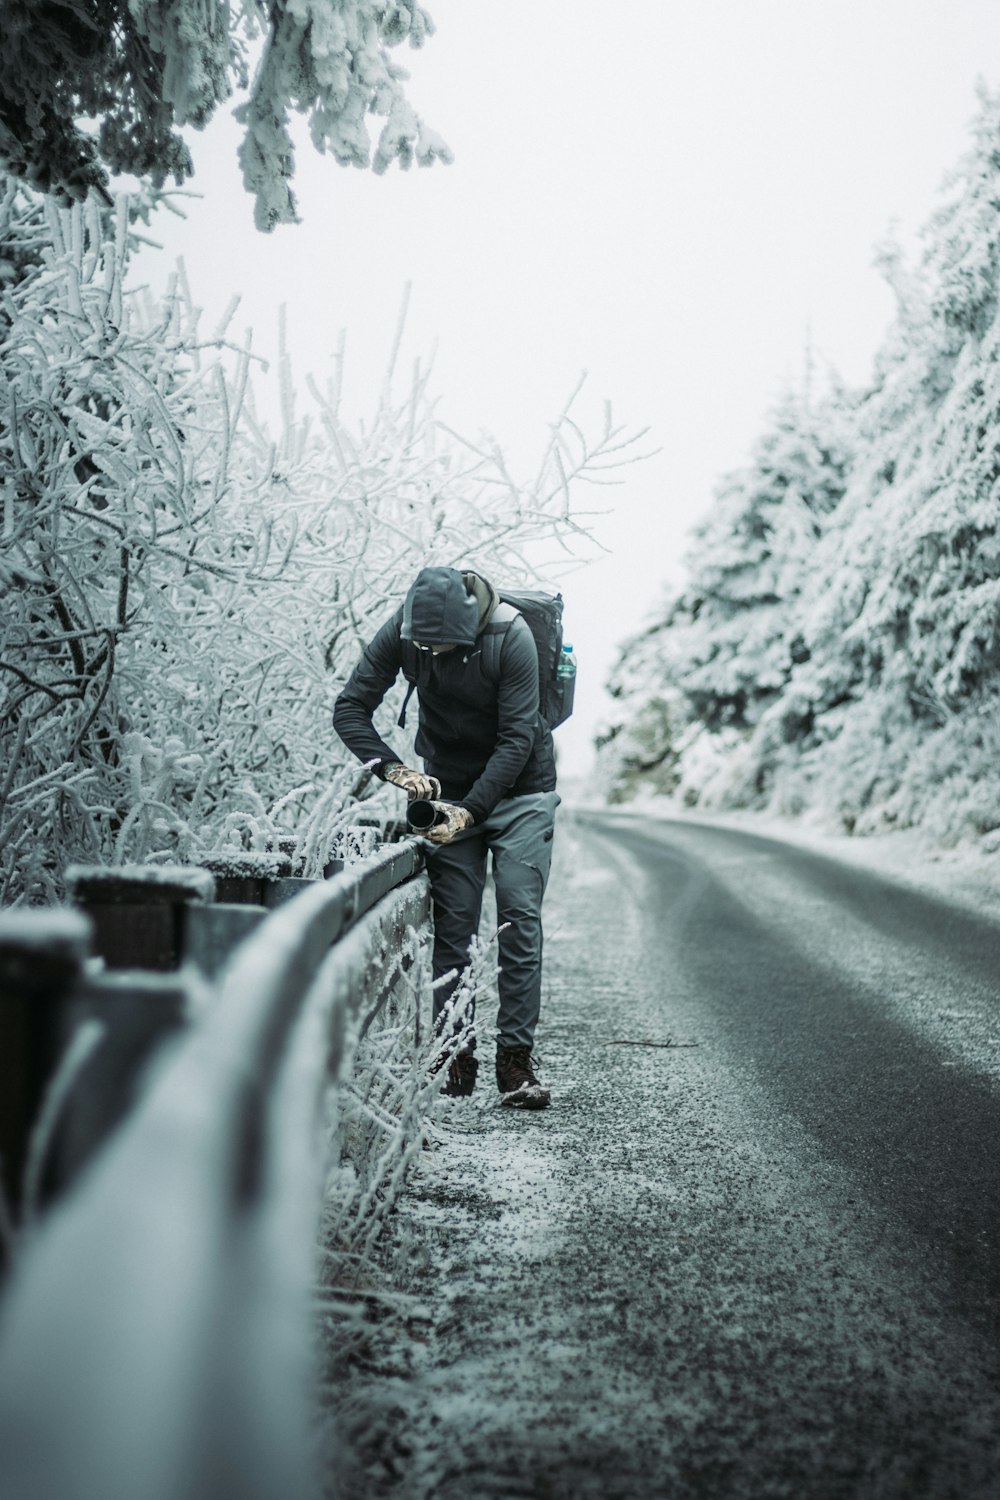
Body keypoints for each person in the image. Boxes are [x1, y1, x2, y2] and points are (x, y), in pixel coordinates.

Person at [332, 565, 560, 1108]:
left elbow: (516, 739)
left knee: (517, 917)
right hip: (446, 786)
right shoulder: (403, 631)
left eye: (444, 647)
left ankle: (516, 1063)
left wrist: (472, 811)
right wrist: (395, 771)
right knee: (454, 923)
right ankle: (455, 1055)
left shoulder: (511, 637)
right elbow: (350, 707)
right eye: (423, 647)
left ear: (471, 629)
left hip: (520, 790)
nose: (431, 655)